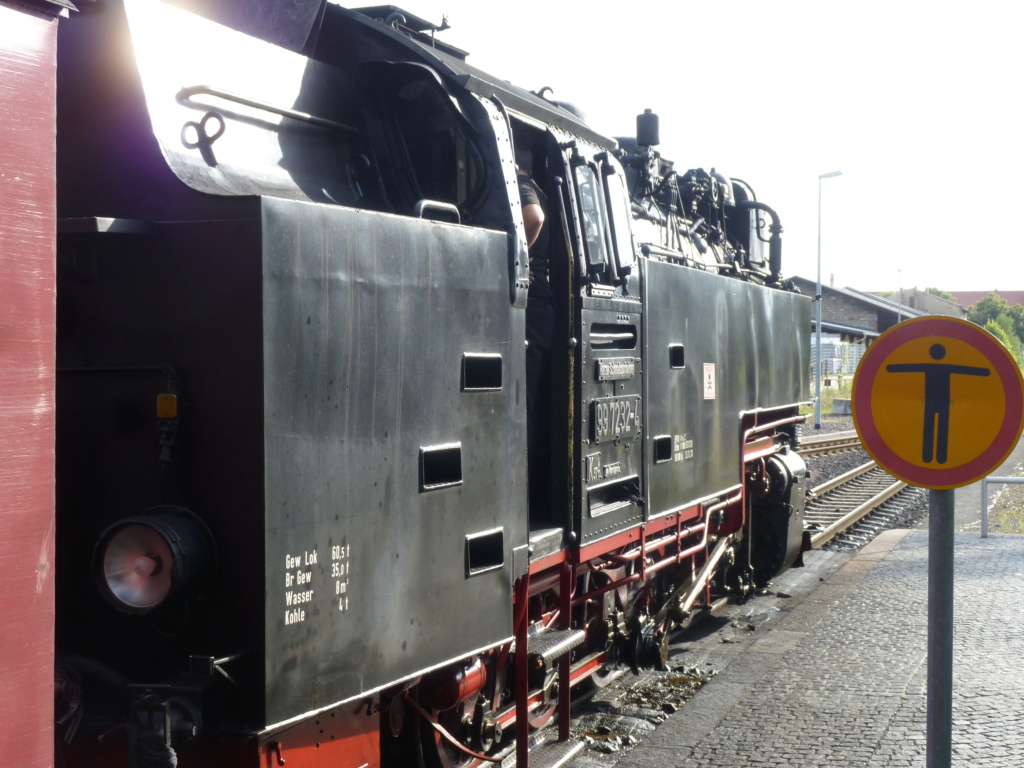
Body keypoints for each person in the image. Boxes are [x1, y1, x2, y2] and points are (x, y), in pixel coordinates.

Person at [517, 145, 554, 522]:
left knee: (523, 405)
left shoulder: (523, 186)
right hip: (544, 306)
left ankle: (522, 499)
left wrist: (517, 259)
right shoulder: (542, 186)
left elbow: (533, 216)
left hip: (533, 305)